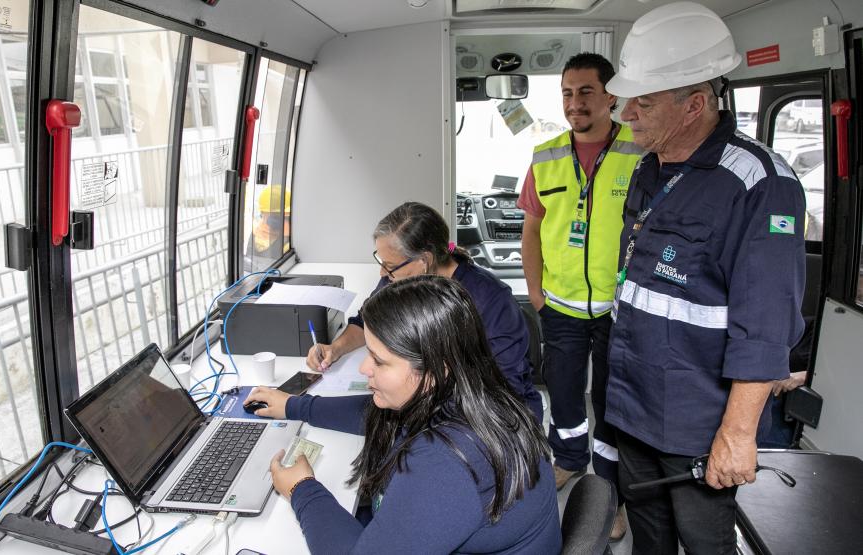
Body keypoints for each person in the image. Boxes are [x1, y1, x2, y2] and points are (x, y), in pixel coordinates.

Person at [603, 2, 806, 552]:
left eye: (643, 102)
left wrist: (737, 437)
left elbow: (764, 328)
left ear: (694, 105)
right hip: (637, 405)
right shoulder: (651, 167)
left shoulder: (760, 183)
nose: (625, 113)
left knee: (705, 543)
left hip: (699, 423)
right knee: (650, 539)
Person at [245, 275, 561, 553]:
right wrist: (294, 406)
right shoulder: (477, 393)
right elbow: (373, 412)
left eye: (379, 361)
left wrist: (303, 489)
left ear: (436, 370)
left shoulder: (447, 464)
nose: (364, 368)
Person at [518, 52, 642, 538]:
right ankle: (568, 459)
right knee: (565, 394)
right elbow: (532, 230)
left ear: (611, 96)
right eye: (568, 93)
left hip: (621, 308)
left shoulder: (641, 149)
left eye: (586, 92)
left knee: (614, 401)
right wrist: (535, 293)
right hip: (562, 305)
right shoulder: (546, 155)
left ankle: (611, 493)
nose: (575, 103)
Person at [306, 201, 542, 421]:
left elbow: (505, 388)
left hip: (487, 415)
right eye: (382, 264)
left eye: (389, 267)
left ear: (424, 261)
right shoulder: (397, 279)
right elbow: (364, 321)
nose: (382, 275)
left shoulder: (490, 300)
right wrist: (334, 349)